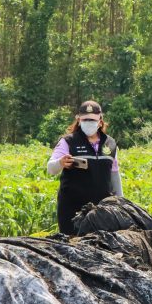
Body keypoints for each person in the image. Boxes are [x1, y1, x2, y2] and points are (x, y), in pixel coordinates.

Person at [47, 100, 123, 234]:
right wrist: (60, 162)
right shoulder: (68, 141)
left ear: (100, 121)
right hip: (73, 210)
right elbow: (51, 168)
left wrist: (121, 203)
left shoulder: (110, 143)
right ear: (79, 120)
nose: (89, 123)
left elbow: (114, 174)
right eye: (85, 119)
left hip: (102, 211)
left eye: (93, 120)